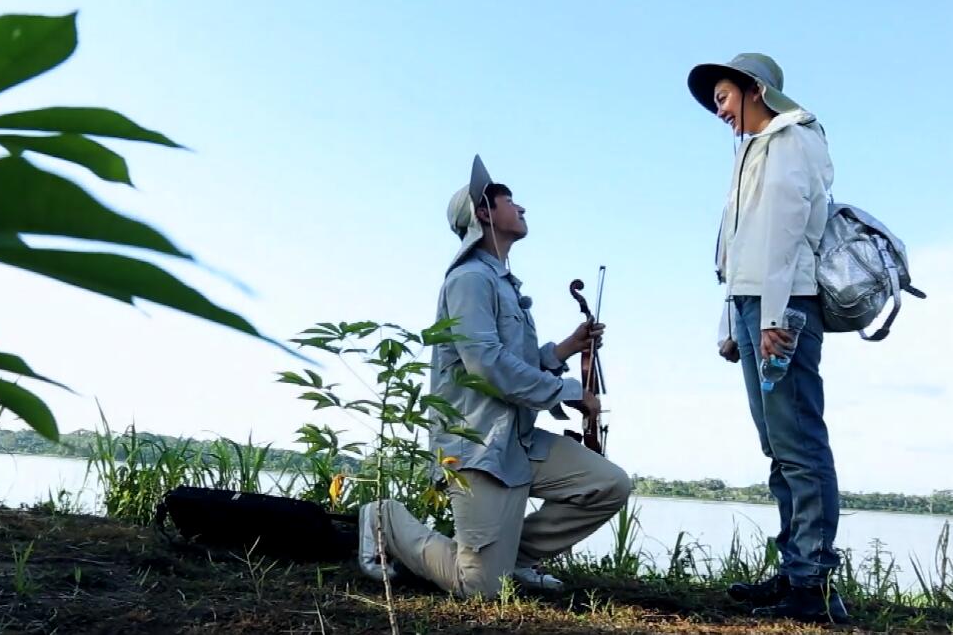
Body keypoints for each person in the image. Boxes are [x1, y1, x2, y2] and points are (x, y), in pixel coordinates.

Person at [355, 155, 632, 598]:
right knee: (479, 589)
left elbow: (512, 359)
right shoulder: (468, 280)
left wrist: (566, 348)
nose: (521, 208)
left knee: (609, 485)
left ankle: (515, 559)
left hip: (516, 442)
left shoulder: (502, 283)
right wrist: (572, 392)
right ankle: (383, 519)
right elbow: (486, 365)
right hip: (477, 445)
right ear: (484, 213)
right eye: (509, 201)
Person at [687, 53, 847, 623]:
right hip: (755, 305)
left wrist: (775, 317)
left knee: (799, 442)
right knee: (778, 445)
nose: (719, 110)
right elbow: (736, 246)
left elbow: (783, 230)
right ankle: (794, 569)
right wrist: (732, 324)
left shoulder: (792, 136)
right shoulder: (751, 150)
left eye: (724, 97)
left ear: (756, 89)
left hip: (786, 306)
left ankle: (815, 582)